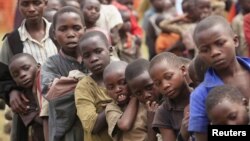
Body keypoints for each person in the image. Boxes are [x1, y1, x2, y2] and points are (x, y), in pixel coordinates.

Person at [0, 0, 58, 141]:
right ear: (18, 6)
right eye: (25, 4)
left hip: (63, 107)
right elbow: (2, 76)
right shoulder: (12, 41)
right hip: (31, 115)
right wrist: (11, 91)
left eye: (36, 3)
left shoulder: (58, 32)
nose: (31, 9)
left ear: (45, 3)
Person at [188, 15, 250, 141]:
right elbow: (202, 137)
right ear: (199, 54)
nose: (214, 52)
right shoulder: (200, 95)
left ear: (235, 41)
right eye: (205, 49)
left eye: (220, 43)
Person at [41, 6, 87, 141]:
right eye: (63, 29)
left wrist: (68, 83)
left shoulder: (95, 58)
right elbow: (53, 93)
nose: (71, 34)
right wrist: (90, 82)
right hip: (66, 133)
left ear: (85, 30)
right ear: (54, 34)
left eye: (76, 28)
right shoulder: (51, 64)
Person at [75, 31, 113, 141]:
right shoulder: (84, 87)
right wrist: (115, 105)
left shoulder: (124, 76)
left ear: (110, 50)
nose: (93, 59)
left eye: (98, 51)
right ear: (82, 59)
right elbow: (92, 126)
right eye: (87, 56)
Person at [148, 52, 191, 141]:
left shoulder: (203, 97)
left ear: (183, 70)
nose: (164, 85)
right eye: (158, 83)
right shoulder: (163, 112)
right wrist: (183, 133)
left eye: (168, 77)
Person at [104, 61, 145, 141]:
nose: (117, 90)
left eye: (123, 83)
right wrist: (134, 97)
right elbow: (125, 125)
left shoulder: (143, 100)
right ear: (107, 92)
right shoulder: (111, 108)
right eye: (111, 87)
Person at [9, 53, 44, 141]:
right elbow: (44, 121)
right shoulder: (22, 100)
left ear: (39, 67)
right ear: (15, 81)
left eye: (26, 68)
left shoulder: (53, 84)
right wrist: (36, 95)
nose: (22, 75)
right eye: (16, 75)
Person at [125, 58, 160, 141]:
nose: (146, 95)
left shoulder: (169, 100)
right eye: (138, 93)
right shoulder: (139, 115)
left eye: (149, 87)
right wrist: (151, 119)